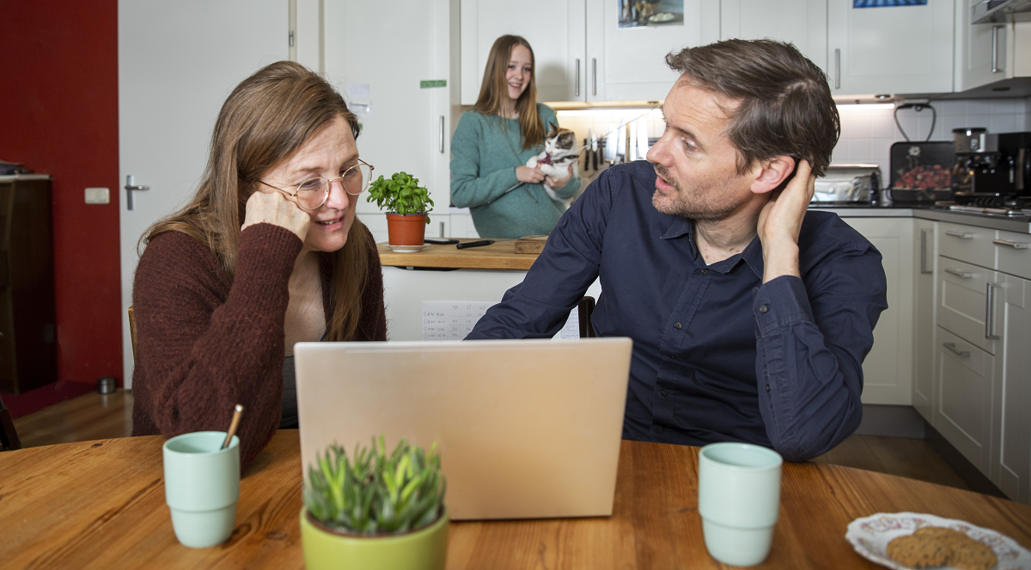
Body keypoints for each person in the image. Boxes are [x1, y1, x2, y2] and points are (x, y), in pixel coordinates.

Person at [467, 39, 888, 462]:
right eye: (665, 126)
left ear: (768, 171)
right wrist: (440, 393)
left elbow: (805, 434)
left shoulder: (843, 261)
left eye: (688, 143)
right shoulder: (621, 196)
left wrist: (780, 253)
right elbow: (522, 317)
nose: (655, 153)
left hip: (743, 477)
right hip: (614, 455)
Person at [131, 61, 387, 469]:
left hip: (321, 481)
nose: (339, 200)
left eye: (348, 171)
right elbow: (207, 442)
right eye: (309, 182)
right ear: (248, 189)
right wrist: (267, 259)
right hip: (188, 501)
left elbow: (369, 399)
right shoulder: (175, 260)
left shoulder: (355, 248)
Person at [450, 35, 581, 239]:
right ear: (494, 69)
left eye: (526, 69)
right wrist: (516, 174)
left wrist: (563, 183)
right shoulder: (472, 123)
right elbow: (460, 193)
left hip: (556, 240)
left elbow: (570, 188)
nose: (519, 76)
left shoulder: (545, 115)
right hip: (505, 247)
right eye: (511, 66)